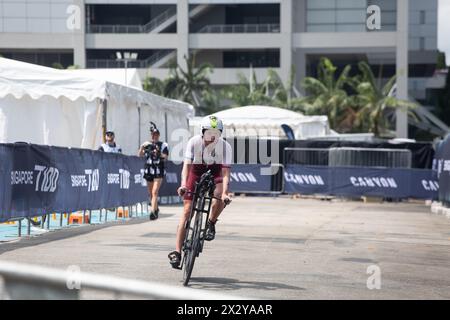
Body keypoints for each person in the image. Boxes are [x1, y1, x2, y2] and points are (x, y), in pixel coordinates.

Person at [168, 115, 232, 268]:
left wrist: (224, 193)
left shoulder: (225, 147)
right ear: (203, 132)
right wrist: (183, 185)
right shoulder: (194, 142)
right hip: (196, 172)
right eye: (209, 132)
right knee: (187, 210)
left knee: (219, 197)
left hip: (215, 172)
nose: (212, 137)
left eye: (216, 133)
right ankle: (177, 251)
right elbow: (186, 167)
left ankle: (211, 222)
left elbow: (225, 174)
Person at [138, 126, 169, 220]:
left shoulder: (163, 145)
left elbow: (165, 157)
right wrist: (142, 146)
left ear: (158, 135)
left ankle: (152, 212)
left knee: (155, 191)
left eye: (155, 134)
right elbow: (140, 155)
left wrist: (159, 153)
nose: (154, 136)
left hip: (158, 170)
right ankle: (155, 208)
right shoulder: (147, 144)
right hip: (149, 170)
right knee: (151, 193)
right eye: (152, 134)